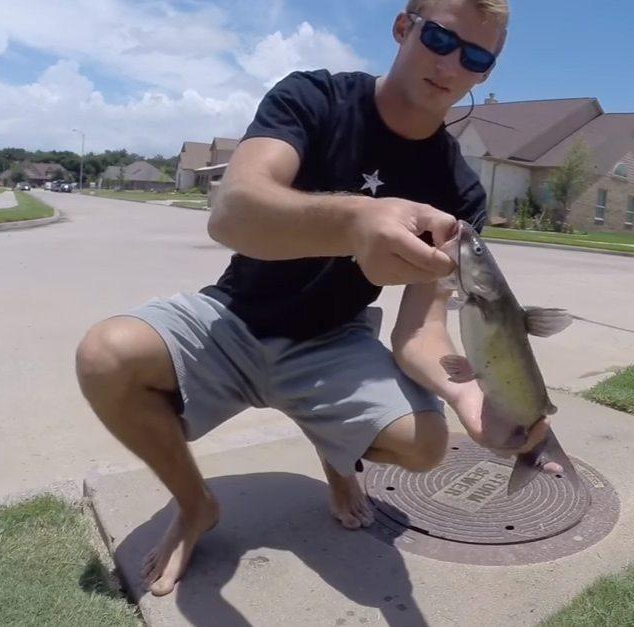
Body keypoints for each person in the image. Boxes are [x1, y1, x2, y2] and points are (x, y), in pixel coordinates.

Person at [74, 0, 546, 597]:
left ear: (485, 73)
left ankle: (331, 444)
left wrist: (467, 396)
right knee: (104, 356)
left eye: (476, 56)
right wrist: (356, 222)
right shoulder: (314, 97)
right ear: (404, 27)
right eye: (439, 38)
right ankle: (196, 505)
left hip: (334, 341)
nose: (451, 63)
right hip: (234, 317)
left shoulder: (458, 191)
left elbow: (420, 332)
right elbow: (232, 211)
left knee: (427, 446)